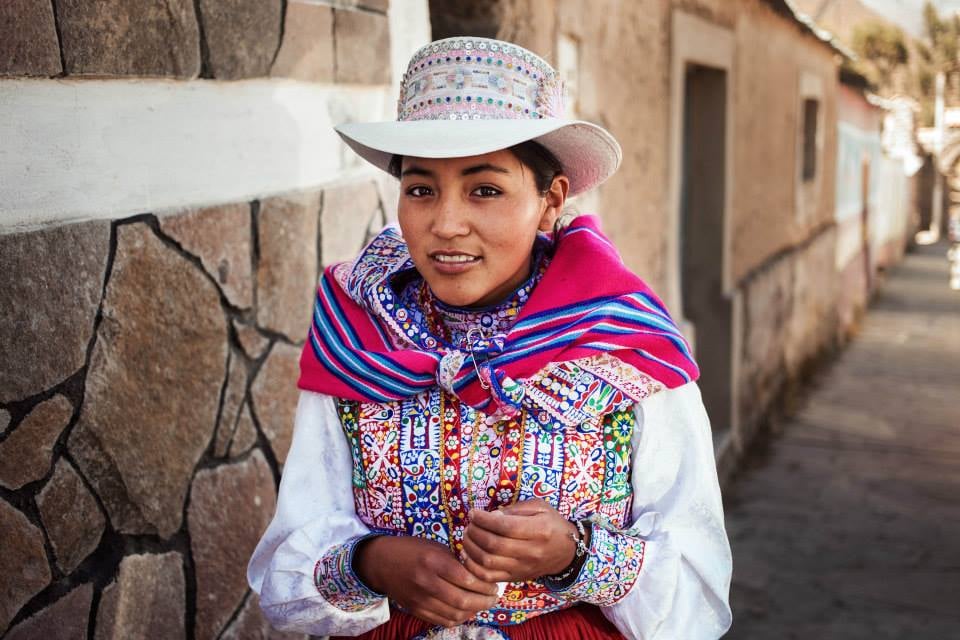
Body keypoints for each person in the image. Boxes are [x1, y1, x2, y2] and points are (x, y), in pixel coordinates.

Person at [248, 36, 732, 640]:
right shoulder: (357, 336)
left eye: (485, 189)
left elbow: (697, 601)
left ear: (549, 200)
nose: (446, 224)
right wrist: (370, 565)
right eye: (421, 189)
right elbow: (283, 576)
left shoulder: (625, 349)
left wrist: (578, 556)